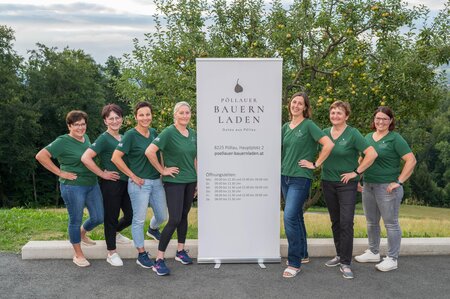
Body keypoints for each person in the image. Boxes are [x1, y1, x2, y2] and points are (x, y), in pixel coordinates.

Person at [35, 110, 104, 267]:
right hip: (73, 187)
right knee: (75, 219)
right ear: (69, 126)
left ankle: (82, 233)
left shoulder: (85, 138)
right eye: (76, 125)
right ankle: (78, 254)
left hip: (92, 184)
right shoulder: (62, 141)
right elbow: (41, 156)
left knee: (99, 217)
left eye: (83, 124)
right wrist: (60, 172)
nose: (80, 128)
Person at [354, 106, 416, 271]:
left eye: (384, 119)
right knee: (371, 222)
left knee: (391, 223)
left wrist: (399, 181)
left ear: (391, 121)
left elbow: (411, 160)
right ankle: (374, 252)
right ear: (374, 120)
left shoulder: (395, 139)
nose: (380, 121)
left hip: (387, 188)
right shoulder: (367, 137)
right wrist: (357, 179)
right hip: (368, 185)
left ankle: (392, 259)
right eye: (378, 118)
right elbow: (363, 160)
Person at [321, 101, 378, 279]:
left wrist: (356, 172)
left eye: (339, 113)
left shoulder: (353, 134)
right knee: (336, 221)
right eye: (333, 113)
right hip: (327, 182)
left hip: (346, 184)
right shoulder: (324, 133)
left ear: (346, 116)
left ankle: (346, 262)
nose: (335, 116)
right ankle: (339, 255)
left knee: (346, 222)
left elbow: (372, 154)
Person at [281, 92, 334, 278]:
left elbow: (328, 144)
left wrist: (315, 164)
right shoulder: (286, 127)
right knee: (295, 216)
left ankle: (294, 263)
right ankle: (303, 254)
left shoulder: (309, 125)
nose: (296, 105)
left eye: (300, 103)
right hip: (285, 177)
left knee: (288, 217)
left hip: (300, 178)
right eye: (293, 102)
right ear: (290, 105)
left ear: (305, 107)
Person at [111, 101, 168, 269]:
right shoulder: (130, 135)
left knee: (162, 216)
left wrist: (163, 170)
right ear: (135, 117)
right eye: (141, 115)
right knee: (138, 219)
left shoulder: (153, 132)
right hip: (139, 184)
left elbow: (158, 154)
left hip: (156, 181)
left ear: (151, 116)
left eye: (148, 114)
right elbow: (115, 157)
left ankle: (153, 229)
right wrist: (132, 176)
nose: (145, 117)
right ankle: (141, 254)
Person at [145, 101, 197, 276]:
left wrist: (197, 180)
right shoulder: (168, 132)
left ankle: (180, 251)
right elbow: (150, 151)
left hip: (190, 180)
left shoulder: (193, 134)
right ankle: (159, 260)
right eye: (181, 113)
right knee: (174, 219)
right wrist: (162, 170)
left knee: (183, 215)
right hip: (174, 181)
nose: (184, 115)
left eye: (187, 112)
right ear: (175, 115)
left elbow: (195, 158)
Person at [81, 104, 133, 267]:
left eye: (117, 117)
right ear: (105, 121)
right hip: (111, 184)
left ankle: (115, 233)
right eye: (111, 118)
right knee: (111, 217)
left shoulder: (124, 137)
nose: (115, 121)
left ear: (122, 119)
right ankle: (111, 252)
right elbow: (86, 157)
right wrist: (102, 173)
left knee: (131, 215)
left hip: (126, 182)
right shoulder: (104, 138)